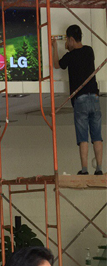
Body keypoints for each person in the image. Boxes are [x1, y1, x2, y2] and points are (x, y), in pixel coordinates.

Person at [52, 24, 102, 175]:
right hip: (94, 97)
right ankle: (99, 169)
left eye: (68, 40)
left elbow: (57, 65)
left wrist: (55, 47)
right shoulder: (89, 51)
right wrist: (70, 48)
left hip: (80, 100)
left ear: (72, 39)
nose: (67, 43)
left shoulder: (70, 56)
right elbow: (81, 59)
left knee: (83, 138)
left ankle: (85, 170)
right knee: (97, 136)